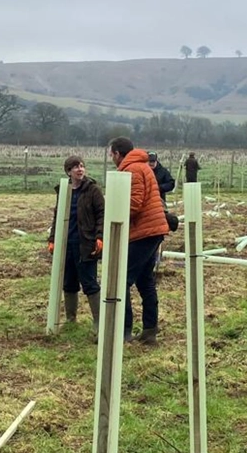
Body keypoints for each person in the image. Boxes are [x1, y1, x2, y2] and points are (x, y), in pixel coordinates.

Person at [109, 137, 169, 344]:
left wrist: (113, 213)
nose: (111, 158)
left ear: (118, 153)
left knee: (122, 280)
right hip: (151, 230)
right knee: (145, 281)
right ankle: (149, 331)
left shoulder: (132, 170)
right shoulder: (141, 166)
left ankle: (124, 331)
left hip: (144, 231)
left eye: (112, 154)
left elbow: (134, 203)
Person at [45, 155, 103, 328]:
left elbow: (102, 214)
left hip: (85, 244)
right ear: (68, 171)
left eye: (82, 166)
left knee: (89, 282)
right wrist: (53, 239)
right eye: (76, 167)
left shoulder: (93, 190)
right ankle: (71, 320)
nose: (80, 169)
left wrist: (99, 237)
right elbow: (57, 216)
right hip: (67, 244)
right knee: (69, 282)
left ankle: (99, 322)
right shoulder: (64, 191)